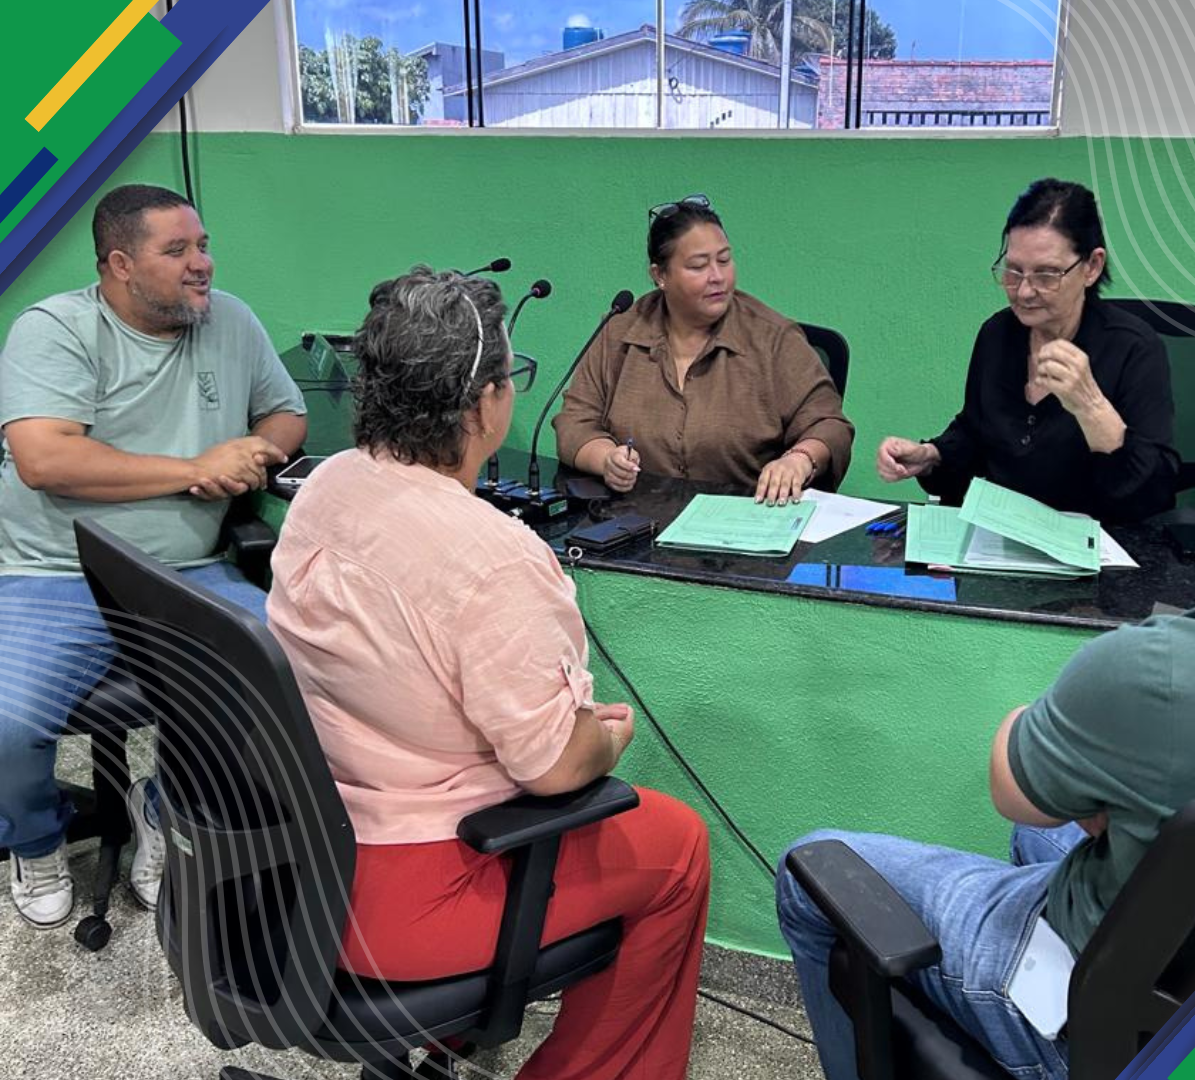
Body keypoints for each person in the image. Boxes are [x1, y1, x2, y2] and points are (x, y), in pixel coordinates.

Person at [780, 263, 1195, 1080]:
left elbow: (1013, 777)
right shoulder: (999, 344)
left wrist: (1101, 759)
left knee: (813, 864)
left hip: (1122, 1019)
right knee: (1045, 833)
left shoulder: (1164, 668)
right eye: (1012, 270)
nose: (1026, 289)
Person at [268, 267, 710, 1080]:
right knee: (677, 844)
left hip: (297, 858)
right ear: (482, 404)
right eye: (511, 375)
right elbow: (553, 769)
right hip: (405, 895)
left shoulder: (326, 484)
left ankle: (451, 1038)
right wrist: (605, 740)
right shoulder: (497, 559)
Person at [0, 184, 307, 930]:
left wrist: (254, 451)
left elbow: (286, 413)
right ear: (120, 264)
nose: (201, 263)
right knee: (8, 724)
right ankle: (35, 843)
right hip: (55, 571)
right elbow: (43, 459)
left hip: (188, 569)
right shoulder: (55, 329)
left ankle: (163, 807)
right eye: (177, 250)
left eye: (202, 245)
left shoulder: (230, 320)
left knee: (292, 666)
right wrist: (196, 468)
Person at [876, 178, 1178, 523]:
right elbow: (977, 434)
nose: (1023, 292)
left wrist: (1091, 406)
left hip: (1097, 542)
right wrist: (931, 455)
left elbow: (1154, 496)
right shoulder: (998, 334)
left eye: (1046, 275)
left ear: (1092, 267)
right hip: (1003, 535)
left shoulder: (1134, 348)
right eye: (1013, 271)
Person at [553, 194, 854, 505]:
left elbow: (830, 425)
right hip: (635, 517)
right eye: (698, 266)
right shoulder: (619, 331)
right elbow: (574, 422)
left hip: (745, 518)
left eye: (724, 260)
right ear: (660, 276)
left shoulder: (773, 338)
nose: (718, 277)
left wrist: (799, 459)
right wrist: (606, 459)